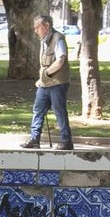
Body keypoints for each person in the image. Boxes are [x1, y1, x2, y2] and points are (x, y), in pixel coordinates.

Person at [19, 14, 73, 150]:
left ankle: (66, 141)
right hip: (44, 83)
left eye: (38, 27)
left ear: (47, 26)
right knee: (38, 110)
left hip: (57, 82)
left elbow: (60, 60)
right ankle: (34, 139)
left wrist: (47, 74)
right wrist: (41, 79)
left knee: (59, 111)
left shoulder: (58, 38)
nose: (36, 30)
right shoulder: (43, 40)